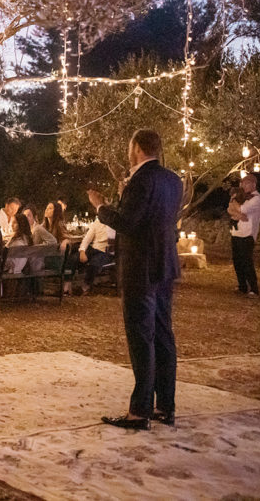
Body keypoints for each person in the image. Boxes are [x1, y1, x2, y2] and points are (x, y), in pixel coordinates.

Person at [88, 128, 182, 431]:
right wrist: (124, 197)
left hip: (140, 268)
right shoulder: (172, 180)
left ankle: (139, 411)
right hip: (164, 265)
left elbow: (128, 223)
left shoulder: (141, 180)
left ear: (138, 148)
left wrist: (102, 206)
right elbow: (154, 219)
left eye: (130, 146)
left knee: (142, 337)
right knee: (164, 335)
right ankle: (165, 406)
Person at [227, 173, 260, 297]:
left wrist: (235, 202)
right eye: (242, 183)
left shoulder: (257, 199)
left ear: (253, 184)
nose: (244, 186)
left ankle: (254, 288)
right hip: (236, 232)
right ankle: (242, 286)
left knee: (247, 262)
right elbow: (230, 209)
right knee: (237, 261)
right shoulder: (243, 197)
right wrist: (239, 215)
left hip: (248, 234)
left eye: (247, 183)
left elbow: (242, 209)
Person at [77, 217, 116, 295]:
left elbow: (113, 241)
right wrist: (82, 251)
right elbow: (87, 238)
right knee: (75, 258)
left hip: (106, 251)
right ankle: (67, 286)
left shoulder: (114, 223)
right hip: (94, 249)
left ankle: (86, 286)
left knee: (94, 263)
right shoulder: (97, 222)